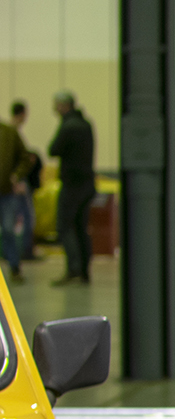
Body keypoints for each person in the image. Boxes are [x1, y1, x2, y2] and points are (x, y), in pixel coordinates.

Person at [47, 90, 94, 284]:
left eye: (56, 105)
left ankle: (73, 269)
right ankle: (84, 271)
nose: (54, 109)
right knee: (81, 227)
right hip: (87, 184)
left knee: (64, 226)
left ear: (64, 106)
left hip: (72, 185)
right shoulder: (85, 124)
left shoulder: (68, 126)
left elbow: (53, 149)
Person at [0, 101, 32, 281]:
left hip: (7, 193)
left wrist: (17, 175)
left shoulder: (9, 134)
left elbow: (25, 158)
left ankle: (14, 268)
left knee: (8, 230)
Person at [12, 103, 40, 260]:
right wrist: (17, 179)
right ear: (23, 114)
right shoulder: (13, 132)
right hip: (17, 181)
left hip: (15, 179)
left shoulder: (12, 132)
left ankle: (20, 250)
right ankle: (25, 250)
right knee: (27, 216)